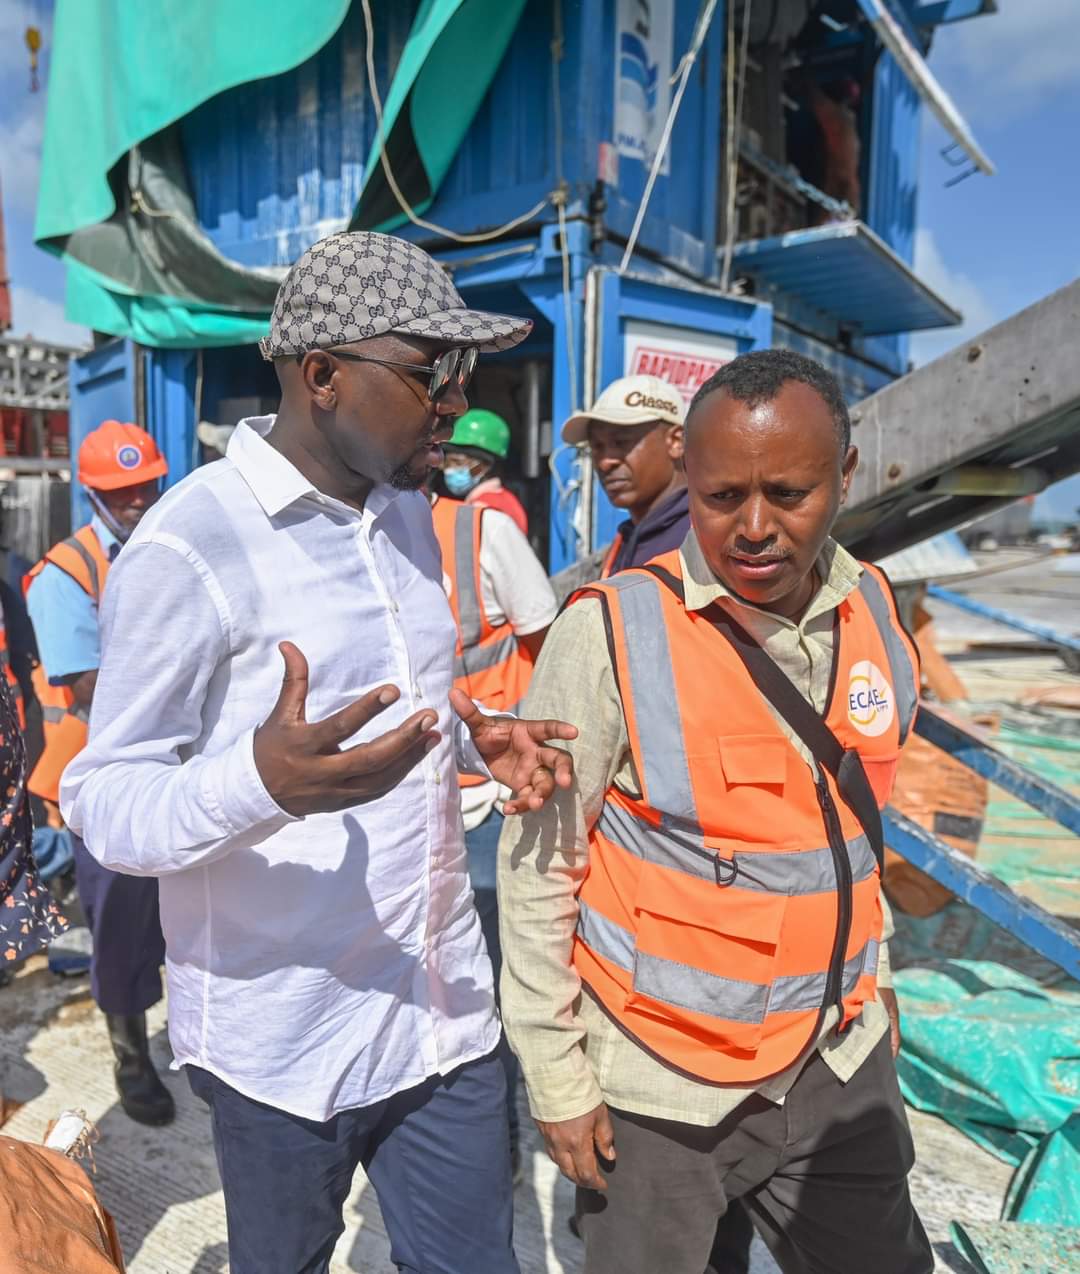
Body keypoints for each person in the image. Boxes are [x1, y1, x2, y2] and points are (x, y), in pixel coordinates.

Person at [61, 230, 579, 1274]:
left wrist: (472, 739)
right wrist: (259, 781)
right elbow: (101, 798)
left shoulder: (406, 516)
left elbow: (395, 711)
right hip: (285, 1043)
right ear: (324, 375)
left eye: (462, 372)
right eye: (431, 371)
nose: (454, 401)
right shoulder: (190, 545)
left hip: (439, 1010)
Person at [499, 348, 929, 1274]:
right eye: (722, 496)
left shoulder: (875, 612)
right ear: (688, 475)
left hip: (836, 1062)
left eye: (790, 494)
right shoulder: (610, 628)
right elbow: (538, 871)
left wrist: (878, 974)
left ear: (846, 475)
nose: (755, 528)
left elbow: (854, 828)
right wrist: (557, 1076)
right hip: (660, 1093)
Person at [25, 420, 173, 1126]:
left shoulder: (169, 546)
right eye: (121, 492)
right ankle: (131, 1055)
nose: (137, 500)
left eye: (145, 485)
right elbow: (86, 685)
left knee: (184, 910)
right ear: (91, 495)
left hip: (173, 761)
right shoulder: (67, 574)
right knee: (119, 920)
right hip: (103, 775)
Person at [430, 487, 558, 1181]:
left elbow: (550, 651)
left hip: (487, 803)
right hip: (406, 806)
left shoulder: (481, 533)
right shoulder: (340, 541)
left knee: (490, 982)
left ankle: (498, 1133)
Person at [562, 373, 688, 576]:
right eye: (596, 447)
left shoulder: (704, 539)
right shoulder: (623, 545)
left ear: (676, 441)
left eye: (621, 443)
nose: (605, 463)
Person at [439, 408, 529, 534]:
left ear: (485, 467)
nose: (449, 470)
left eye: (458, 463)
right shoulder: (502, 500)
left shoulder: (485, 508)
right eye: (447, 463)